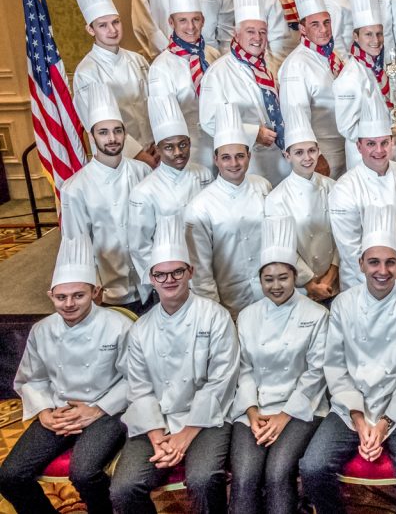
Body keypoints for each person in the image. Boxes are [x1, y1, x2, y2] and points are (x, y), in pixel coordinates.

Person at [300, 205, 396, 514]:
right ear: (360, 264)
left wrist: (384, 423)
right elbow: (334, 366)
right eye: (374, 262)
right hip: (352, 405)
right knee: (313, 466)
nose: (382, 271)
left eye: (390, 263)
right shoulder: (344, 304)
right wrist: (360, 420)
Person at [110, 214, 239, 514]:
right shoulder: (141, 329)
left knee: (204, 479)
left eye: (177, 272)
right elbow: (139, 389)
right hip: (157, 419)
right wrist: (158, 437)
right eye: (161, 275)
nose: (169, 280)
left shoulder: (215, 316)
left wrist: (185, 435)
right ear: (151, 278)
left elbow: (221, 381)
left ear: (190, 271)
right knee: (124, 488)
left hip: (208, 418)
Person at [0, 236, 131, 514]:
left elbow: (136, 378)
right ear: (51, 296)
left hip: (108, 411)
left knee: (84, 473)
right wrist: (45, 411)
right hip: (60, 411)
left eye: (78, 295)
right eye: (61, 297)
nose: (69, 303)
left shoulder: (119, 326)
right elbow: (32, 379)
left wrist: (96, 410)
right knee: (10, 476)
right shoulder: (42, 330)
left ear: (95, 292)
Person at [229, 216, 329, 514]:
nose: (276, 286)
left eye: (283, 277)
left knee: (277, 473)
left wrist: (283, 417)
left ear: (295, 276)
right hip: (255, 410)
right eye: (268, 279)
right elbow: (243, 369)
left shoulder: (316, 314)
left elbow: (316, 373)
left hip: (301, 409)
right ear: (259, 280)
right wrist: (252, 412)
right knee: (245, 477)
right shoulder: (247, 316)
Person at [60, 84, 151, 312]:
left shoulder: (143, 172)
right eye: (103, 132)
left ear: (125, 134)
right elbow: (78, 245)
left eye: (117, 131)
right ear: (92, 136)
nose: (112, 138)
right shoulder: (75, 188)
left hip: (151, 285)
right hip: (110, 295)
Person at [199, 0, 291, 185]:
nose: (257, 38)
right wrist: (253, 133)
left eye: (262, 31)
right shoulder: (218, 72)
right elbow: (208, 120)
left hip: (283, 158)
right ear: (236, 34)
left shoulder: (271, 64)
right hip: (250, 161)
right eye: (250, 31)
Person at [185, 103, 272, 317]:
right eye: (226, 157)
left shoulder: (263, 186)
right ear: (216, 159)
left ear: (249, 156)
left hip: (272, 294)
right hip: (230, 303)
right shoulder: (200, 207)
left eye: (240, 156)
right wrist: (215, 313)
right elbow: (201, 273)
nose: (234, 163)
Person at [128, 96, 213, 308]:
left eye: (183, 144)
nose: (178, 153)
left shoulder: (203, 174)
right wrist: (163, 281)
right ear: (158, 148)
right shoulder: (144, 191)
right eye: (169, 147)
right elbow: (140, 246)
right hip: (171, 280)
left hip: (207, 270)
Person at [330, 90, 396, 293]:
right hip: (363, 282)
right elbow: (350, 251)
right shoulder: (344, 189)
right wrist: (393, 273)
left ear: (392, 142)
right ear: (359, 146)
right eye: (371, 144)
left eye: (384, 142)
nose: (379, 150)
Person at [71, 0, 156, 166]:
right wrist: (139, 155)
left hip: (154, 150)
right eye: (103, 25)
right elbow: (98, 126)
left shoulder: (138, 60)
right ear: (91, 30)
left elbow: (154, 104)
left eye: (115, 22)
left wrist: (158, 145)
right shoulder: (86, 72)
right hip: (121, 157)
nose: (112, 30)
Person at [148, 0, 221, 170]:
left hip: (222, 147)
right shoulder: (161, 67)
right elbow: (163, 123)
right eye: (183, 20)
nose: (191, 27)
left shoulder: (213, 55)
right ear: (171, 22)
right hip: (189, 153)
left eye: (196, 19)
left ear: (203, 20)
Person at [278, 0, 346, 177]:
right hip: (322, 154)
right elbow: (296, 116)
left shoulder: (334, 56)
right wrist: (316, 158)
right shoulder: (296, 64)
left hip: (346, 146)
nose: (324, 30)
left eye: (326, 22)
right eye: (315, 24)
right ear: (303, 28)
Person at [264, 107, 339, 303]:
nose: (307, 158)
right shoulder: (276, 198)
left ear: (319, 151)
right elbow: (283, 246)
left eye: (312, 151)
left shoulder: (333, 187)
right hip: (302, 286)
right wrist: (310, 283)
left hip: (336, 281)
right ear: (287, 156)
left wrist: (332, 275)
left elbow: (343, 233)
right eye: (299, 153)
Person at [333, 0, 392, 172]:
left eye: (379, 34)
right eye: (368, 35)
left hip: (389, 150)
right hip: (364, 158)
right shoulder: (349, 77)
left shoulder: (380, 67)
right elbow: (347, 128)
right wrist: (383, 133)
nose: (375, 41)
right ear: (356, 37)